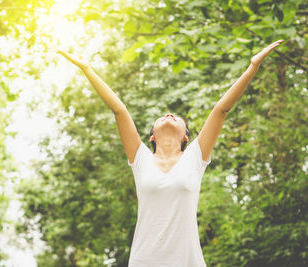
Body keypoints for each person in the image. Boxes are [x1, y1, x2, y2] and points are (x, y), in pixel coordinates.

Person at [58, 39, 284, 267]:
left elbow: (221, 110)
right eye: (162, 116)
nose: (168, 115)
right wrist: (87, 69)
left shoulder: (195, 157)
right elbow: (119, 110)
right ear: (151, 137)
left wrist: (252, 67)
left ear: (186, 137)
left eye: (176, 117)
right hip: (143, 261)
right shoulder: (140, 159)